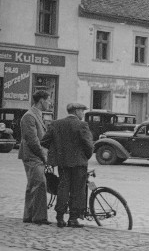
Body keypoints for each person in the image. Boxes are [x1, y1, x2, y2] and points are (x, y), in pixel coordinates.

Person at [40, 102, 94, 228]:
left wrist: (57, 153)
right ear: (75, 111)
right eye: (82, 111)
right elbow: (89, 145)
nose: (83, 113)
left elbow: (45, 141)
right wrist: (86, 156)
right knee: (77, 190)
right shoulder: (82, 125)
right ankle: (73, 219)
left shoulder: (56, 124)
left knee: (63, 188)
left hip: (63, 163)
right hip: (79, 163)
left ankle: (60, 218)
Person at [18, 90, 52, 225]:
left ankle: (29, 216)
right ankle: (39, 217)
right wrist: (43, 156)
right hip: (33, 155)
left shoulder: (36, 115)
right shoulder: (29, 116)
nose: (49, 103)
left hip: (35, 155)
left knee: (33, 184)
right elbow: (33, 141)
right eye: (48, 100)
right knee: (40, 183)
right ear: (41, 101)